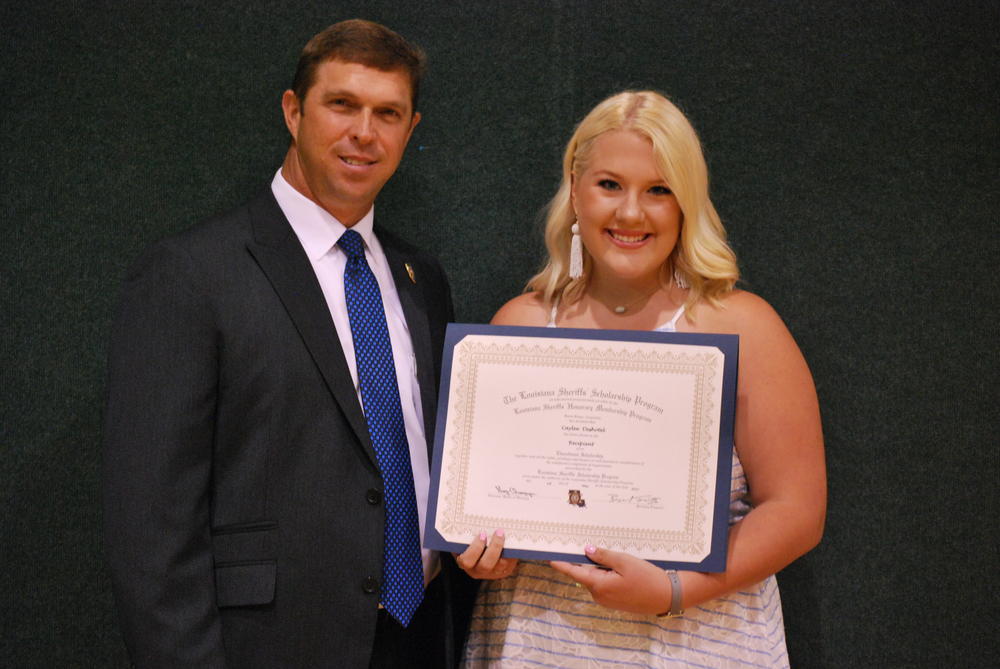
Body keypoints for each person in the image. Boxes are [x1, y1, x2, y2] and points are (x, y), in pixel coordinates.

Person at [103, 19, 465, 668]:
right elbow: (151, 533)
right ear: (293, 111)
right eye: (342, 104)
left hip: (418, 639)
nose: (364, 131)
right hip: (273, 645)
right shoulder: (192, 274)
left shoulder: (422, 278)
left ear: (411, 130)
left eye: (388, 113)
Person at [456, 90, 826, 667]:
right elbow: (483, 506)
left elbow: (797, 511)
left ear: (687, 204)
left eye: (659, 190)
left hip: (699, 643)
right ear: (575, 191)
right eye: (609, 185)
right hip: (538, 642)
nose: (632, 212)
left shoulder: (742, 326)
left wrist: (675, 592)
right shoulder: (520, 324)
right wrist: (486, 552)